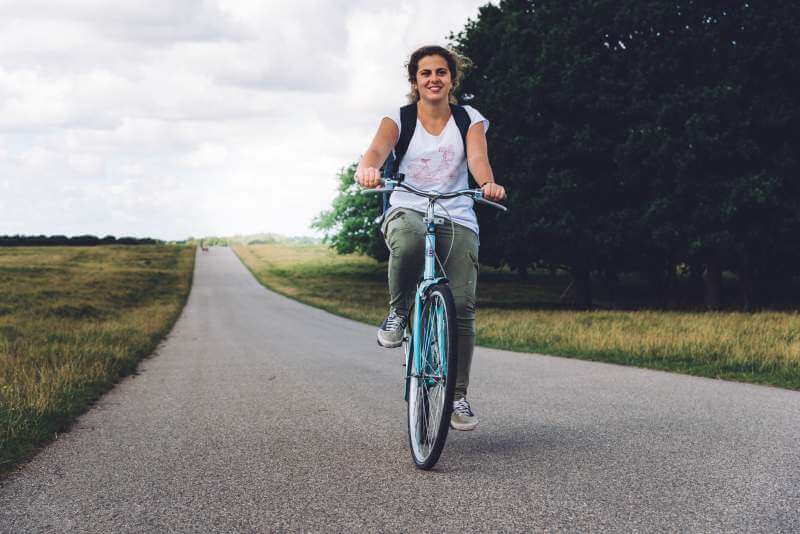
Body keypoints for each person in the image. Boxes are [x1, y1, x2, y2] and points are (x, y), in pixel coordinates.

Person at [356, 45, 506, 431]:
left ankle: (457, 396)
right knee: (407, 240)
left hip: (456, 211)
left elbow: (476, 159)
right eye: (426, 73)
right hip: (408, 207)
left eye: (441, 72)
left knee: (462, 307)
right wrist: (368, 169)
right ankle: (399, 313)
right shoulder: (400, 118)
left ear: (452, 79)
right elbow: (376, 149)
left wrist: (487, 183)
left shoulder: (468, 118)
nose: (434, 79)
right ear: (415, 81)